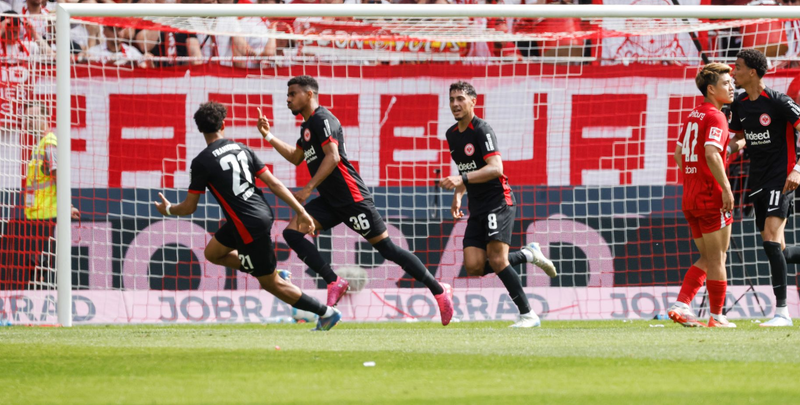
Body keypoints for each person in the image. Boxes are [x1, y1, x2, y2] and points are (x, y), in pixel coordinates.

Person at [255, 76, 454, 324]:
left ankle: (438, 289)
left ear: (309, 94)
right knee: (292, 233)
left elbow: (333, 157)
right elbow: (297, 157)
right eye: (288, 95)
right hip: (330, 200)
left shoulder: (323, 119)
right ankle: (334, 280)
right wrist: (268, 136)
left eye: (292, 94)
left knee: (388, 249)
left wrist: (307, 189)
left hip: (351, 198)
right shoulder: (307, 126)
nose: (288, 99)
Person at [153, 102, 342, 331]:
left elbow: (190, 207)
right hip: (255, 214)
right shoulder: (242, 148)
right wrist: (301, 210)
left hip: (246, 223)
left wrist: (170, 209)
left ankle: (327, 313)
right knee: (213, 253)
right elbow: (273, 183)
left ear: (200, 130)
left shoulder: (201, 161)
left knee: (270, 284)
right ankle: (269, 269)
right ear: (223, 124)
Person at [440, 81, 557, 328]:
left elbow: (495, 169)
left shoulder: (482, 130)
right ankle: (528, 254)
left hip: (498, 202)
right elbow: (469, 169)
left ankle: (528, 315)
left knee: (497, 260)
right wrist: (459, 194)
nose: (455, 104)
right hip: (477, 206)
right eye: (451, 99)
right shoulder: (452, 134)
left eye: (460, 98)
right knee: (473, 266)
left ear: (473, 101)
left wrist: (460, 180)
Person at [729, 49, 800, 327]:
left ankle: (782, 313)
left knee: (770, 238)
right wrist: (724, 148)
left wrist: (798, 169)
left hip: (782, 176)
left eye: (737, 67)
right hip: (757, 179)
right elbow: (742, 138)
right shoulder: (740, 103)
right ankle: (781, 312)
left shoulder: (779, 101)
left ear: (753, 73)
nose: (733, 72)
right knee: (777, 248)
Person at [668, 63, 737, 328]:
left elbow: (677, 155)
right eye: (725, 83)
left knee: (708, 258)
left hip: (691, 196)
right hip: (712, 196)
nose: (731, 87)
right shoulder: (718, 116)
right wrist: (726, 189)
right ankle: (718, 316)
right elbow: (710, 153)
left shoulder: (693, 114)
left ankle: (682, 304)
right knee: (719, 257)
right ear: (711, 89)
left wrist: (695, 178)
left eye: (732, 82)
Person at [0, 102, 80, 290]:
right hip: (34, 216)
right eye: (26, 119)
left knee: (32, 263)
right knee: (29, 264)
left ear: (45, 119)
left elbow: (59, 175)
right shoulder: (39, 146)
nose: (28, 122)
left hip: (46, 216)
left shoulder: (49, 144)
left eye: (33, 118)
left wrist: (67, 206)